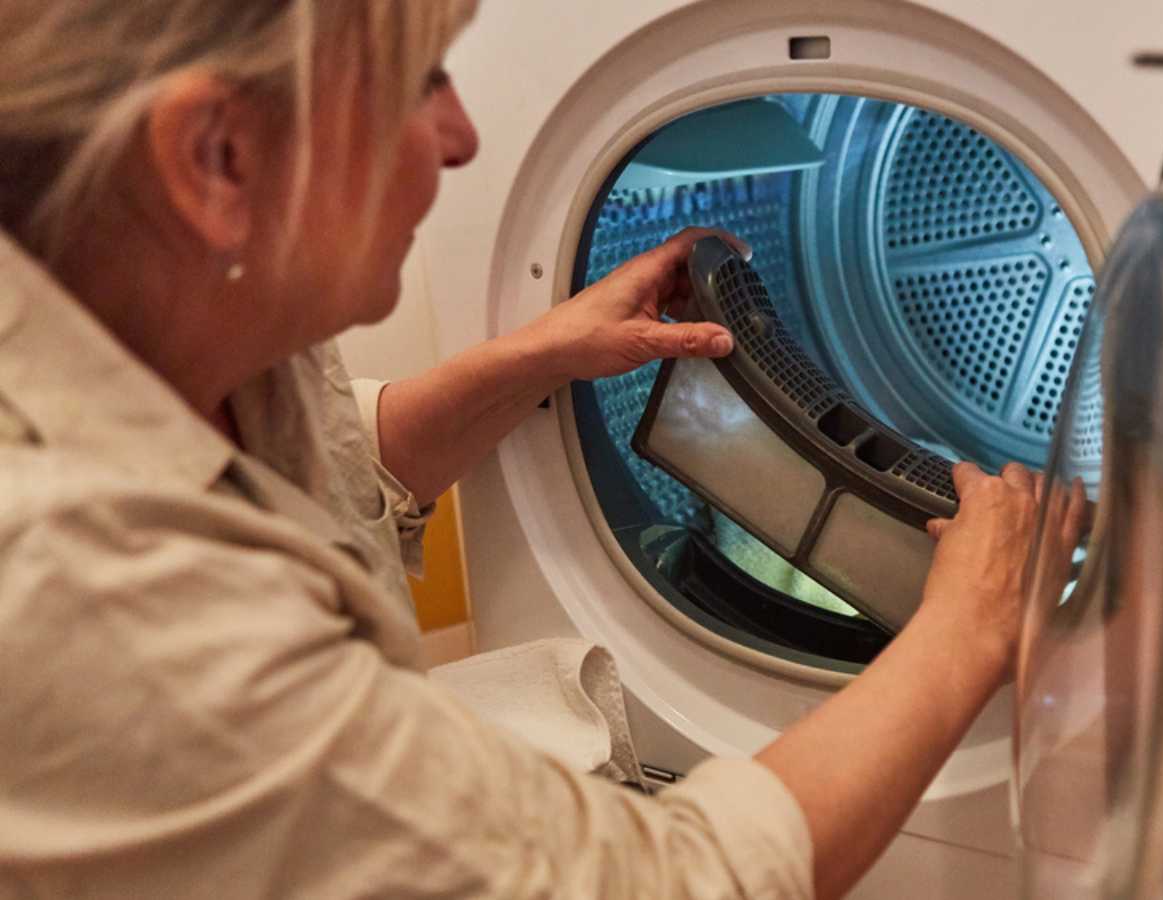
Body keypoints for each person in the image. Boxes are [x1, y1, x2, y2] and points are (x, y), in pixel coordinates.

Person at [0, 2, 1091, 898]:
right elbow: (663, 886)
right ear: (218, 160)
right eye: (421, 81)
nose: (463, 137)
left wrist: (538, 357)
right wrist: (969, 625)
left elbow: (330, 475)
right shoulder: (94, 587)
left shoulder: (173, 332)